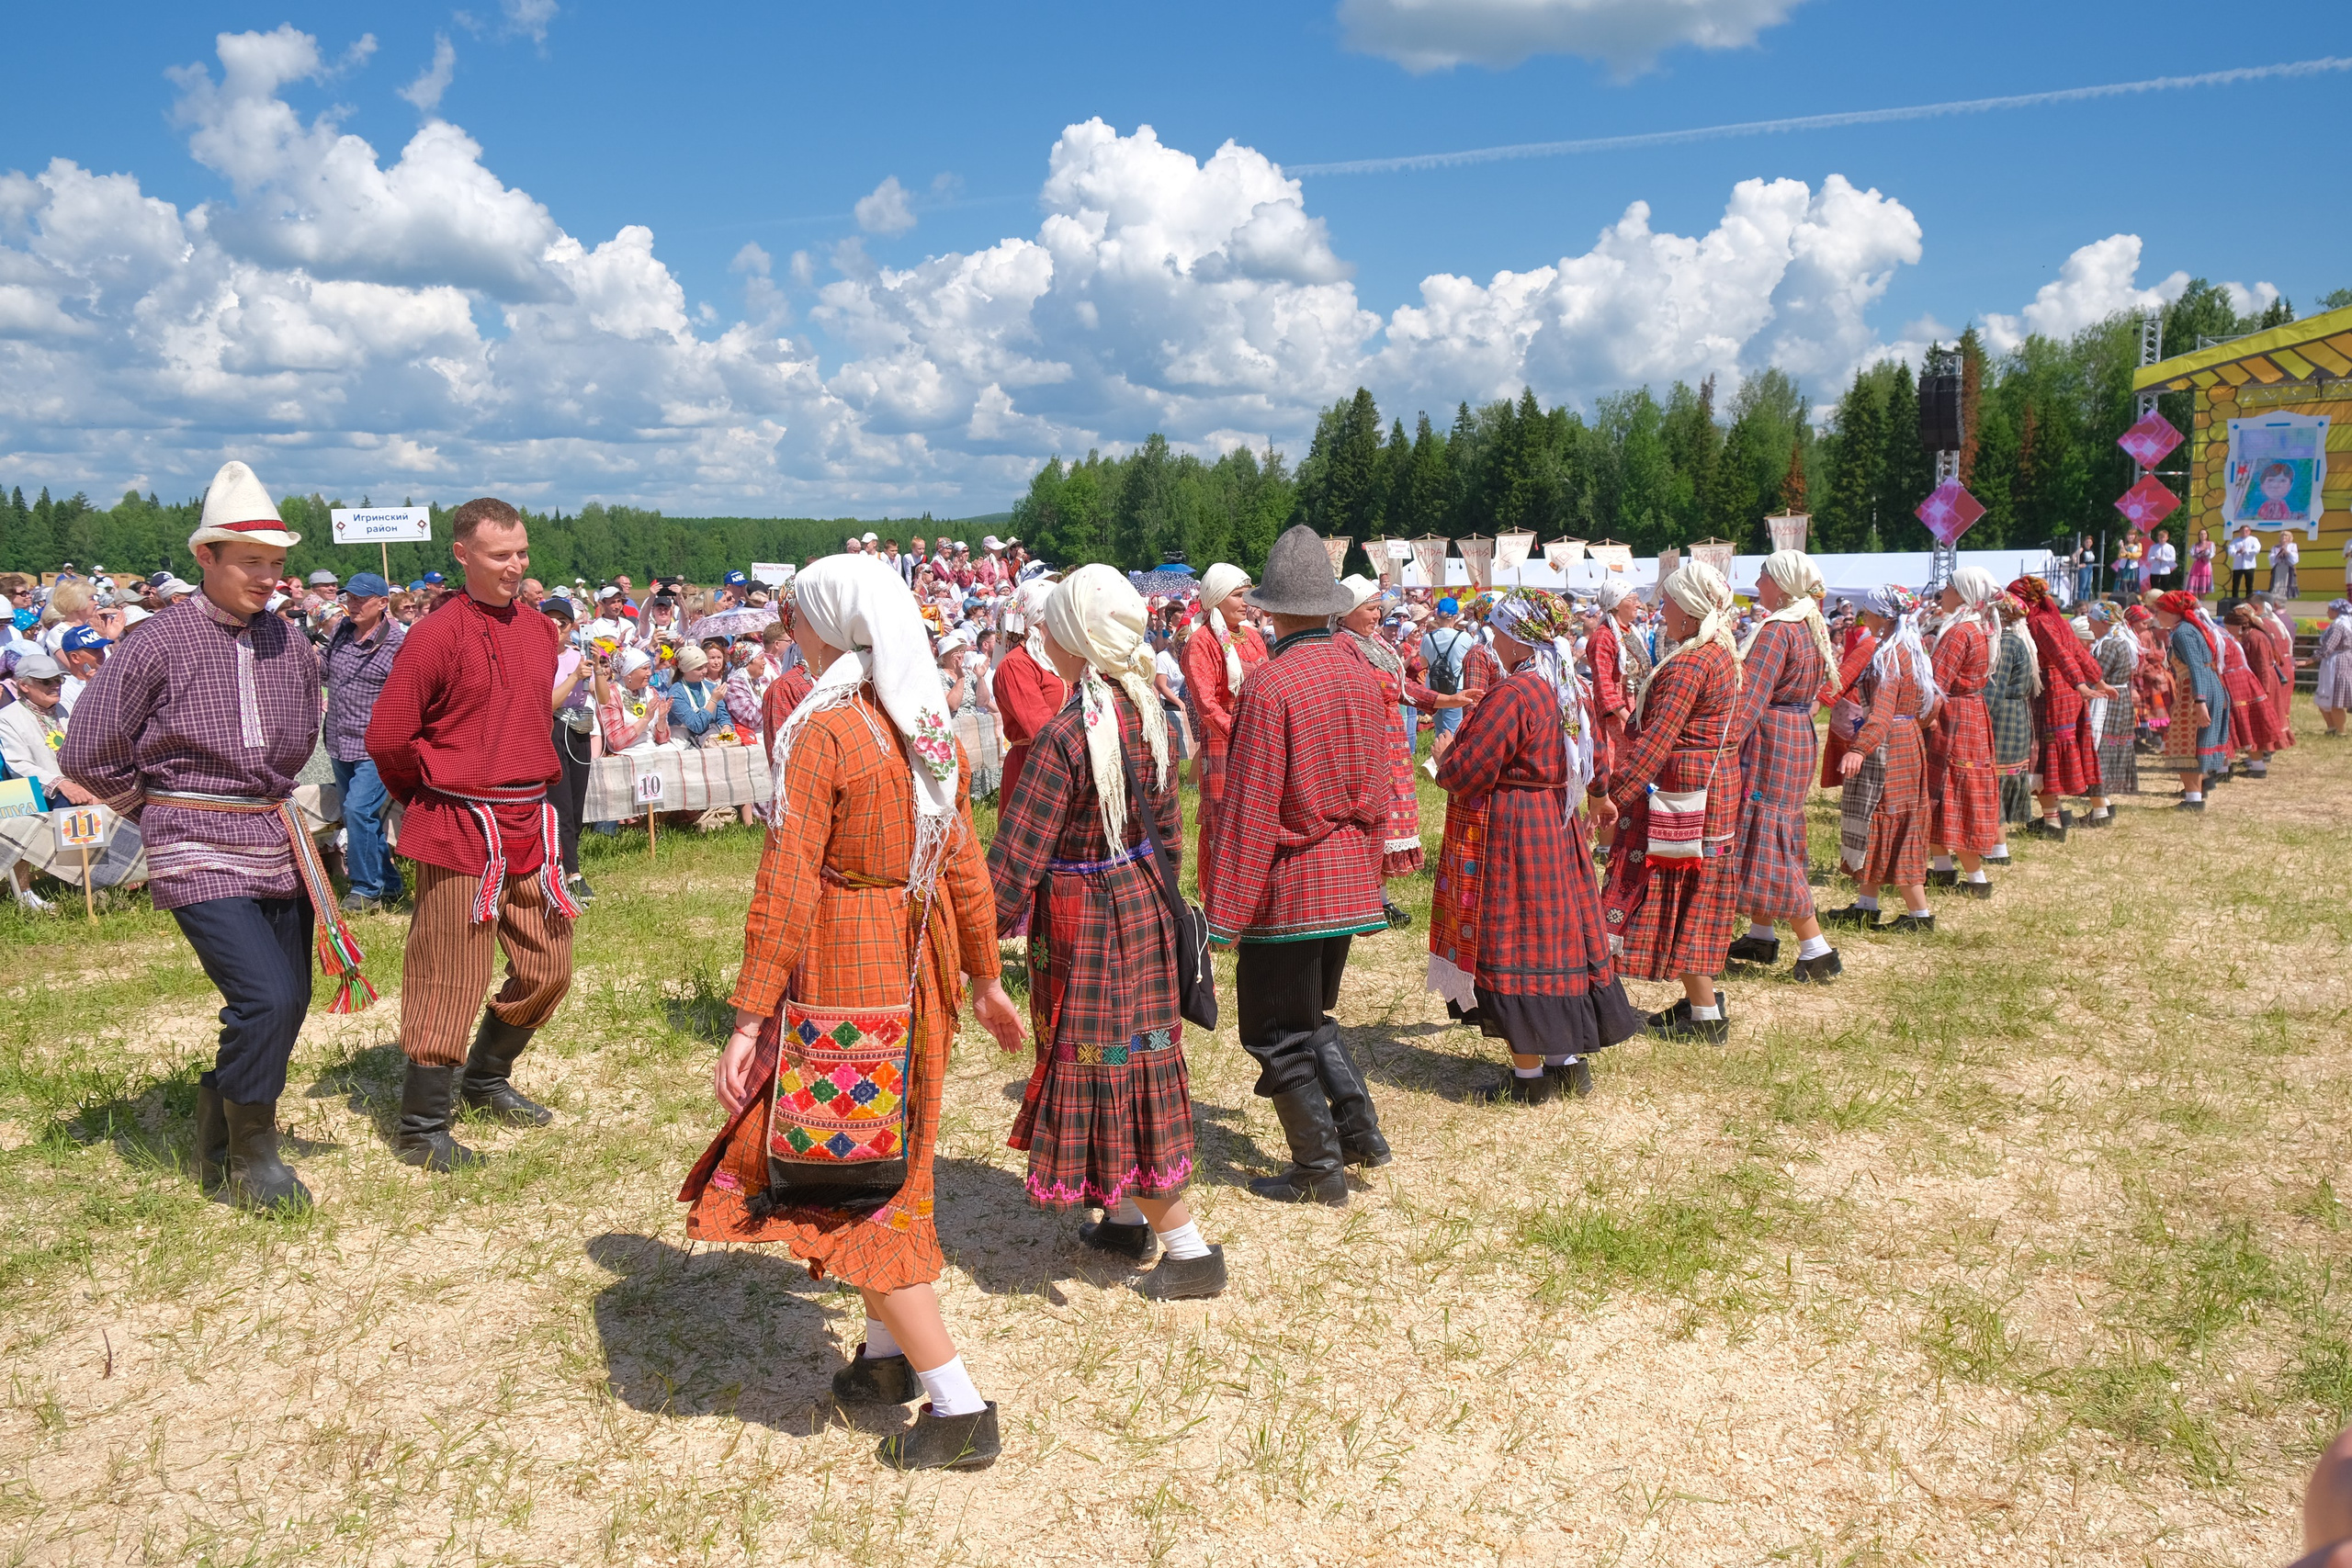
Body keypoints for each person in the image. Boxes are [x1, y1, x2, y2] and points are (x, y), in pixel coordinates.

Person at [685, 554, 1024, 1472]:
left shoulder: (826, 731)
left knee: (862, 1180)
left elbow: (788, 878)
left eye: (797, 614)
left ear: (830, 625)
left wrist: (751, 1014)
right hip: (922, 965)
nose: (787, 627)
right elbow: (962, 861)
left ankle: (958, 1405)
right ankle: (883, 1363)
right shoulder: (920, 721)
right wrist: (985, 974)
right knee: (891, 1159)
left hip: (850, 969)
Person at [61, 460, 370, 1212]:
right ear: (207, 557)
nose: (268, 579)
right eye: (251, 563)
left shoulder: (293, 646)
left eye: (276, 564)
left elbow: (301, 737)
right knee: (262, 995)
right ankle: (249, 1161)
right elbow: (86, 752)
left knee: (290, 998)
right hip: (192, 836)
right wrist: (160, 811)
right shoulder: (154, 642)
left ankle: (218, 1135)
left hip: (271, 829)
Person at [986, 565, 1224, 1299]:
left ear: (1078, 638)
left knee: (1106, 1064)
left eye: (1055, 623)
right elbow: (1173, 838)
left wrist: (971, 943)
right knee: (1130, 1059)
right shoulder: (1154, 712)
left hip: (1088, 922)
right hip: (1146, 907)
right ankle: (1122, 1215)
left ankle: (1188, 1251)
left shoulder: (1067, 734)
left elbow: (1017, 857)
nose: (1045, 634)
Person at [367, 500, 582, 1173]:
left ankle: (486, 1080)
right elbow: (387, 735)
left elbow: (521, 716)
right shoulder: (436, 634)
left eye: (521, 552)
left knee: (550, 966)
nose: (515, 566)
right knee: (450, 974)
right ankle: (420, 1124)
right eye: (499, 555)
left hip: (528, 820)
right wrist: (426, 796)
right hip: (463, 822)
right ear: (463, 554)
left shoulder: (539, 631)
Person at [1204, 526, 1392, 1205]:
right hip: (1347, 874)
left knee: (1275, 1030)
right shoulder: (1362, 672)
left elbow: (1251, 813)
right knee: (1312, 1017)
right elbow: (1384, 788)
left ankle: (1319, 1168)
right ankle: (1358, 1132)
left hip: (1293, 884)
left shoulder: (1269, 686)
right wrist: (1369, 874)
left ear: (1271, 608)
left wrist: (1222, 918)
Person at [1430, 591, 1640, 1103]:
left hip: (1517, 830)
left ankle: (1529, 1080)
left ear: (1518, 635)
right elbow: (1595, 758)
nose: (1493, 638)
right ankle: (1565, 1064)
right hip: (1557, 824)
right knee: (1559, 936)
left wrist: (1445, 753)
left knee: (1518, 939)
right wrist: (1599, 797)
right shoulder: (1569, 686)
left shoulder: (1516, 693)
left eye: (1499, 630)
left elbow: (1467, 770)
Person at [1600, 559, 1744, 1044]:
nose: (1661, 610)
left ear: (1688, 609)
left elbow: (1657, 740)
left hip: (1686, 787)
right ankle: (1700, 1004)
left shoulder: (1690, 662)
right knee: (1692, 892)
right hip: (1711, 781)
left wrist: (1612, 797)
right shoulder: (1720, 651)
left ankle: (1705, 1015)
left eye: (1669, 602)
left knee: (1680, 889)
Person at [1722, 551, 1845, 977]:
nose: (1757, 585)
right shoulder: (1808, 622)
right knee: (1773, 831)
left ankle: (1816, 949)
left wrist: (1721, 745)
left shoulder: (1778, 630)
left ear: (1782, 583)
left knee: (1771, 838)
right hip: (1795, 734)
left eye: (1763, 577)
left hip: (1772, 739)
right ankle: (1761, 935)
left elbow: (1751, 699)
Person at [1337, 575, 1464, 902]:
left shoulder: (1375, 643)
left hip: (1391, 739)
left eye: (1378, 609)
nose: (1377, 616)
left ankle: (1378, 896)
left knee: (1388, 813)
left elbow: (1404, 690)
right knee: (1369, 813)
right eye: (1370, 609)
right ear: (1347, 611)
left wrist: (1451, 699)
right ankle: (1362, 896)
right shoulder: (1342, 645)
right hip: (1366, 741)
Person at [1820, 587, 1939, 933]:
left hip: (1886, 746)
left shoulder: (1889, 656)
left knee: (1889, 821)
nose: (1862, 617)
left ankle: (1920, 917)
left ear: (1885, 617)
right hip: (1906, 740)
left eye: (1867, 612)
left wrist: (1860, 747)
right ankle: (1865, 905)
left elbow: (1883, 710)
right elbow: (1932, 706)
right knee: (1884, 821)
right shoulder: (1912, 650)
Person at [1181, 562, 1270, 908]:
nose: (1245, 601)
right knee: (1223, 824)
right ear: (1216, 598)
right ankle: (1220, 910)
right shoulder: (1201, 643)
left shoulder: (1253, 636)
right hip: (1223, 743)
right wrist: (1243, 732)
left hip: (1256, 738)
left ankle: (1255, 904)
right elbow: (1205, 703)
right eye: (1237, 594)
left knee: (1256, 819)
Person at [320, 572, 406, 914]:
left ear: (383, 603)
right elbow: (326, 672)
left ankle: (364, 889)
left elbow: (405, 697)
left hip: (375, 747)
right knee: (361, 817)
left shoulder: (397, 644)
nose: (351, 604)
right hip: (339, 741)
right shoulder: (342, 632)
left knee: (358, 810)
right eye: (349, 597)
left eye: (360, 598)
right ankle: (389, 882)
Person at [2009, 575, 2115, 841]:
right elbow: (2078, 654)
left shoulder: (2037, 622)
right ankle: (2057, 816)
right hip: (2067, 690)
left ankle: (2052, 823)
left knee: (2045, 756)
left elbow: (2062, 655)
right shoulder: (2056, 619)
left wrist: (2082, 684)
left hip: (2053, 691)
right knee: (2057, 753)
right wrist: (2097, 680)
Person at [1919, 568, 2003, 897]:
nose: (1943, 592)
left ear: (1963, 592)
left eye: (1948, 587)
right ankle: (1943, 868)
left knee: (1952, 789)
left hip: (1954, 716)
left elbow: (1937, 682)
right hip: (1970, 713)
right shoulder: (1978, 627)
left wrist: (1924, 718)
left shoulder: (1959, 632)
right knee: (1942, 789)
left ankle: (1977, 878)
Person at [991, 574, 1069, 807]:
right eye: (1053, 617)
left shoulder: (1060, 659)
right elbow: (1040, 727)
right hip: (1034, 763)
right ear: (1035, 618)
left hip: (1066, 760)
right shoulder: (1016, 665)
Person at [542, 596, 597, 905]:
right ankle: (572, 873)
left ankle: (563, 864)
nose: (556, 628)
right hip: (551, 730)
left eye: (561, 623)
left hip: (579, 731)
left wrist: (599, 671)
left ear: (571, 627)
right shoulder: (537, 658)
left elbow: (598, 695)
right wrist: (575, 677)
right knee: (559, 804)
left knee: (576, 806)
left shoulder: (578, 655)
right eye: (549, 622)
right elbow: (546, 703)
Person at [2154, 591, 2230, 808]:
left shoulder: (2184, 633)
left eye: (2161, 610)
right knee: (2195, 741)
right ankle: (2197, 791)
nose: (2157, 613)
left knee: (2187, 742)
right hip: (2202, 685)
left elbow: (2196, 666)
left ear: (2174, 612)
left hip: (2195, 689)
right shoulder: (2188, 629)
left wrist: (2200, 701)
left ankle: (2193, 799)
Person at [1817, 601, 1881, 789]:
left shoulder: (1876, 642)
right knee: (1856, 761)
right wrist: (1821, 700)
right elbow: (1846, 673)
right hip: (1859, 705)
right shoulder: (1871, 643)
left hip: (1870, 706)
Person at [2085, 601, 2140, 806]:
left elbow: (2095, 676)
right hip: (2120, 697)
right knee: (2108, 745)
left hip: (2109, 701)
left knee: (2101, 745)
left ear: (2103, 622)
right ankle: (2103, 799)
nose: (2089, 625)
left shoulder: (2108, 646)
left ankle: (2102, 798)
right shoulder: (2121, 642)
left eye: (2091, 621)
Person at [665, 643, 730, 746]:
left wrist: (726, 726)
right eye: (699, 668)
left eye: (705, 666)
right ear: (685, 669)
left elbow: (722, 715)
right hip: (684, 743)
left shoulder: (710, 687)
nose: (704, 671)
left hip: (712, 738)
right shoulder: (676, 694)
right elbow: (697, 726)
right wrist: (713, 700)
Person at [2227, 525, 2261, 599]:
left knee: (2249, 584)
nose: (2244, 533)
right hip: (2237, 566)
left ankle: (2249, 599)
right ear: (2240, 532)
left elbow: (2257, 550)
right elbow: (2230, 551)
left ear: (2249, 532)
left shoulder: (2253, 540)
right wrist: (2238, 551)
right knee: (2235, 584)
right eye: (2242, 531)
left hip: (2249, 566)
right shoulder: (2235, 541)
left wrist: (2246, 551)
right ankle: (2235, 599)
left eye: (2246, 531)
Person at [2145, 528, 2178, 592]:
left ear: (2167, 538)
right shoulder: (2153, 547)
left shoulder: (2170, 547)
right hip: (2155, 571)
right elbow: (2149, 558)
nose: (2162, 539)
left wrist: (2163, 559)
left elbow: (2173, 558)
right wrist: (2155, 558)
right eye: (2160, 537)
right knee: (2154, 588)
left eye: (2163, 537)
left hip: (2165, 571)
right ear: (2158, 538)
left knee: (2165, 588)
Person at [2188, 527, 2216, 595]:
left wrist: (2206, 555)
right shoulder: (2195, 545)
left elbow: (2212, 554)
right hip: (2197, 566)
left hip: (2205, 566)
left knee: (2203, 587)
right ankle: (2195, 603)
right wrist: (2198, 555)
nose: (2203, 535)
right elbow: (2191, 554)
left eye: (2204, 534)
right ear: (2199, 536)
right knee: (2194, 587)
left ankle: (2202, 602)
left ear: (2207, 535)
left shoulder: (2211, 544)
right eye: (2201, 534)